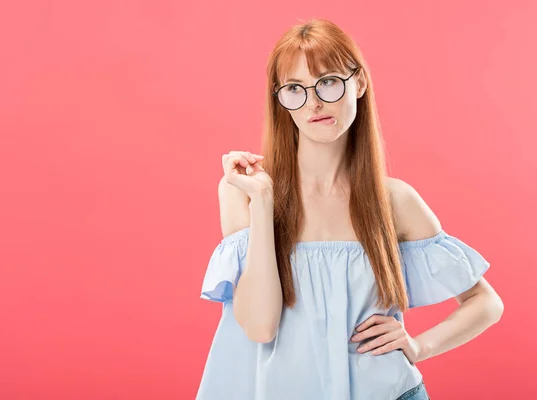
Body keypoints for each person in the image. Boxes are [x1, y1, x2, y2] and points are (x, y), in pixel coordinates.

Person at [196, 18, 503, 400]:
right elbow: (260, 326)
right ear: (280, 100)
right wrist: (262, 205)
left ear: (358, 83)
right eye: (295, 88)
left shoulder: (394, 201)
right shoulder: (244, 190)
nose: (315, 102)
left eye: (327, 81)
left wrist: (420, 346)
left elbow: (485, 302)